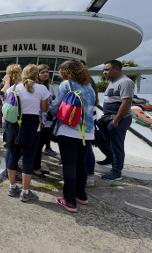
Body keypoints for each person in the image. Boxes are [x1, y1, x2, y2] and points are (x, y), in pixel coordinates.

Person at [49, 60, 96, 213]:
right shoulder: (90, 87)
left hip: (69, 130)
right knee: (81, 165)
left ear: (67, 72)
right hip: (87, 133)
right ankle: (81, 196)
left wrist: (49, 108)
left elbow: (57, 107)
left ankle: (69, 200)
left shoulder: (66, 85)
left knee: (69, 166)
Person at [6, 64, 50, 202]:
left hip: (14, 125)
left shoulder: (13, 88)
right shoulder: (41, 88)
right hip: (31, 125)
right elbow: (44, 109)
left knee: (13, 155)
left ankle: (12, 187)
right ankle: (25, 192)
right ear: (36, 75)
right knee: (28, 158)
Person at [97, 60, 134, 181]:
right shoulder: (112, 81)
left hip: (119, 119)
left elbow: (126, 102)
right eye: (104, 69)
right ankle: (109, 157)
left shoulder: (126, 82)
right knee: (99, 137)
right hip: (107, 117)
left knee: (116, 145)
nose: (104, 72)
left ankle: (116, 172)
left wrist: (116, 120)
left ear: (117, 69)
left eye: (107, 69)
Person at [32, 64, 57, 177]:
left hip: (49, 120)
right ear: (37, 74)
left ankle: (38, 165)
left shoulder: (50, 87)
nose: (46, 74)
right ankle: (34, 167)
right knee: (37, 145)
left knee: (41, 143)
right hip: (38, 120)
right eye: (42, 72)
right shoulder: (34, 86)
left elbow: (52, 102)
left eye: (47, 71)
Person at [2, 64, 23, 180]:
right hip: (18, 122)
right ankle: (10, 171)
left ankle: (9, 170)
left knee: (10, 148)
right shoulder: (22, 87)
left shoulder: (10, 88)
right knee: (15, 149)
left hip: (9, 121)